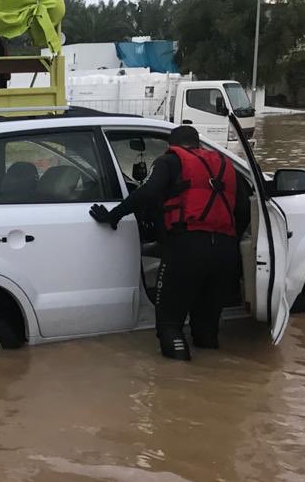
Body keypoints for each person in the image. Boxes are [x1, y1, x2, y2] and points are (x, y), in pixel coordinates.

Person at [88, 125, 250, 361]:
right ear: (198, 145)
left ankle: (176, 379)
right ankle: (210, 379)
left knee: (170, 323)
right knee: (207, 326)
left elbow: (148, 193)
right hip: (225, 252)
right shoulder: (226, 167)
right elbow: (243, 212)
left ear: (170, 146)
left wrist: (114, 215)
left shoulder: (169, 161)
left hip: (187, 248)